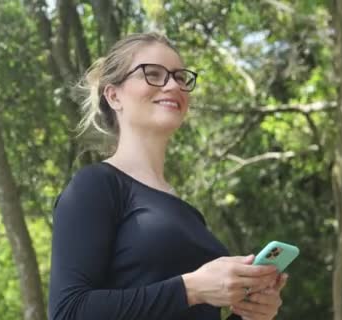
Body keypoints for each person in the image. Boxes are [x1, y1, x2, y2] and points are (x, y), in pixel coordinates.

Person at [47, 32, 288, 320]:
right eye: (153, 74)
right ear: (114, 95)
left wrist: (251, 315)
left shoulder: (190, 216)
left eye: (180, 77)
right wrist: (192, 288)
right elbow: (68, 312)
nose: (173, 84)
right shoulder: (95, 186)